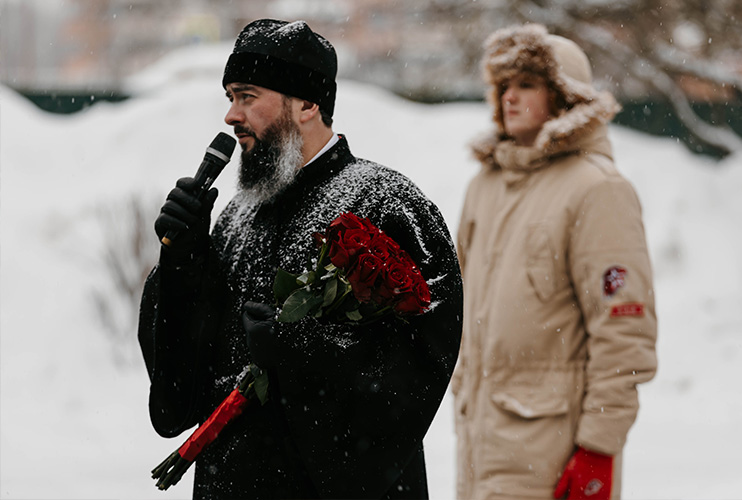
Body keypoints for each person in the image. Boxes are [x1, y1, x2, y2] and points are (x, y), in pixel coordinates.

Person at [138, 19, 463, 499]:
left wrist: (299, 349)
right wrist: (184, 264)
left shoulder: (385, 202)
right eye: (230, 97)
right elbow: (188, 378)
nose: (231, 115)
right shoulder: (236, 217)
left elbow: (420, 361)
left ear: (309, 104)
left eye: (247, 96)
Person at [452, 23, 657, 500]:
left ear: (564, 96)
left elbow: (624, 332)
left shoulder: (598, 189)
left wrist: (598, 448)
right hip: (481, 442)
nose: (510, 97)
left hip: (553, 449)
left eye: (527, 84)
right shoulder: (484, 186)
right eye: (503, 85)